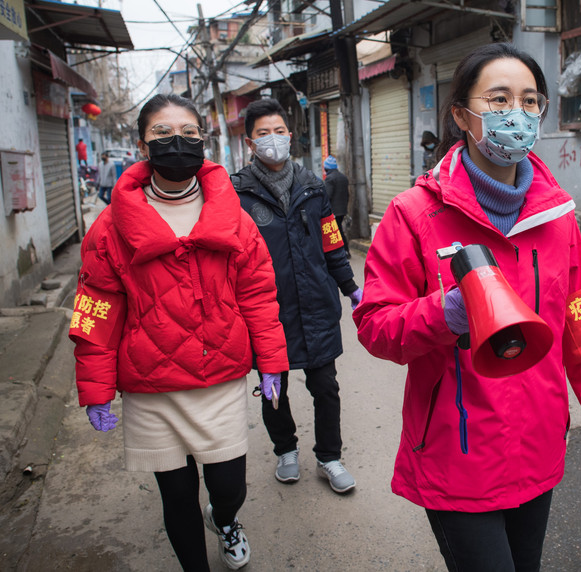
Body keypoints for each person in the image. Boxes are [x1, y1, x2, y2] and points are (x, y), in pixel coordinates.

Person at [352, 43, 581, 571]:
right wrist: (445, 314)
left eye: (531, 102)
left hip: (538, 448)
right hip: (455, 453)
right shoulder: (414, 214)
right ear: (462, 114)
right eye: (500, 99)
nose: (519, 114)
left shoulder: (557, 218)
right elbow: (374, 326)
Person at [70, 93, 289, 571]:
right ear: (142, 144)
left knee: (229, 486)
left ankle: (227, 519)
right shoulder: (110, 227)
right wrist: (95, 387)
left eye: (190, 135)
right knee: (177, 497)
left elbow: (258, 295)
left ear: (204, 141)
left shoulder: (233, 214)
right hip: (151, 386)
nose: (178, 144)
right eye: (162, 135)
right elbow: (96, 309)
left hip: (221, 376)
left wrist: (272, 361)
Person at [232, 98, 362, 494]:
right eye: (262, 134)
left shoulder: (313, 187)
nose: (273, 140)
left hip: (317, 306)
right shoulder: (237, 194)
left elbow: (332, 243)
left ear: (290, 135)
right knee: (275, 390)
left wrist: (351, 287)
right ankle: (285, 450)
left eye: (278, 131)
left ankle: (329, 456)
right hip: (268, 313)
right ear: (250, 143)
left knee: (326, 386)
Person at [322, 154, 350, 258]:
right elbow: (347, 194)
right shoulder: (343, 177)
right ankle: (345, 251)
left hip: (333, 211)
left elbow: (327, 195)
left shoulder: (330, 179)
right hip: (342, 210)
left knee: (336, 232)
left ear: (327, 167)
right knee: (339, 231)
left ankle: (343, 252)